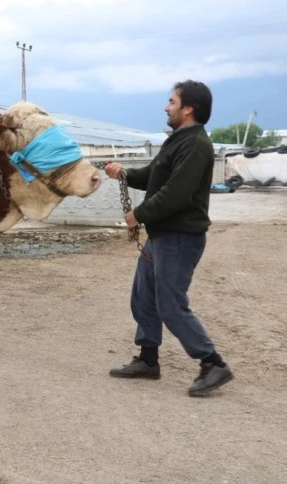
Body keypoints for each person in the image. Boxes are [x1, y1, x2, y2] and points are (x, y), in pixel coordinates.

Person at [105, 80, 234, 397]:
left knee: (171, 305)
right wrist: (123, 173)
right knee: (143, 297)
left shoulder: (196, 145)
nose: (166, 106)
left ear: (188, 108)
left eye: (172, 101)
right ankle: (148, 361)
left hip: (180, 238)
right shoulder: (179, 140)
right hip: (162, 236)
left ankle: (213, 363)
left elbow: (177, 194)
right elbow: (152, 175)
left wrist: (139, 214)